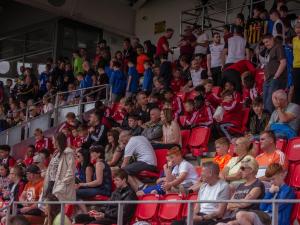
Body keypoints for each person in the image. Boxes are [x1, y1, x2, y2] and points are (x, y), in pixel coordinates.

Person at [217, 156, 265, 224]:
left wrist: (238, 204)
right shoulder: (241, 185)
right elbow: (229, 205)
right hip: (235, 216)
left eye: (242, 168)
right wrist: (241, 203)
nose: (239, 171)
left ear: (251, 170)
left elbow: (245, 203)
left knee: (231, 223)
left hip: (250, 216)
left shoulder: (258, 184)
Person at [43, 132, 76, 201]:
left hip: (61, 186)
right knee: (47, 206)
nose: (52, 142)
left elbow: (71, 171)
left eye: (53, 140)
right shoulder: (55, 153)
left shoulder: (68, 152)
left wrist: (62, 184)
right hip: (51, 183)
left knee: (57, 207)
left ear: (58, 141)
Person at [262, 34, 287, 114]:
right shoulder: (268, 50)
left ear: (272, 39)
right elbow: (267, 65)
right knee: (265, 101)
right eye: (264, 43)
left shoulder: (278, 47)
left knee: (270, 102)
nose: (266, 44)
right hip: (268, 79)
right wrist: (265, 77)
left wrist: (276, 76)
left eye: (267, 41)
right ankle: (265, 121)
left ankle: (269, 122)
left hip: (275, 78)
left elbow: (283, 63)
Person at [290, 22, 300, 104]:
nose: (298, 29)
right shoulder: (294, 39)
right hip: (296, 67)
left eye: (299, 28)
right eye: (296, 28)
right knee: (296, 88)